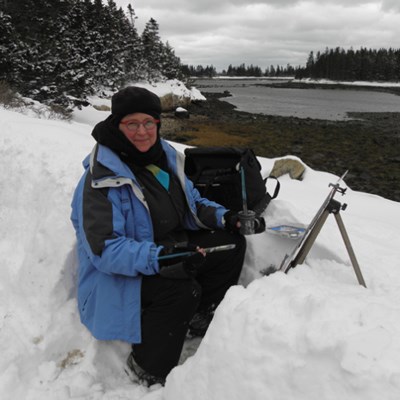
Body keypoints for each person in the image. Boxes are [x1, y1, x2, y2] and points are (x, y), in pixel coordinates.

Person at [70, 86, 248, 386]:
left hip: (165, 249)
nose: (142, 132)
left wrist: (227, 218)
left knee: (231, 245)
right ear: (116, 125)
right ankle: (147, 367)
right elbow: (105, 250)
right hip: (118, 272)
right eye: (132, 124)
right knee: (181, 290)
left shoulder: (165, 157)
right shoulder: (99, 179)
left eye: (148, 123)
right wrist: (160, 259)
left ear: (157, 124)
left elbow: (194, 203)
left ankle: (199, 316)